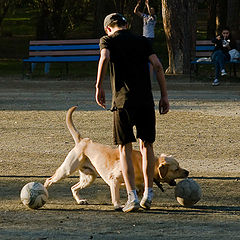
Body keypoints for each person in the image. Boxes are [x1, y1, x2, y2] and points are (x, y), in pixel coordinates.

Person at [95, 13, 169, 213]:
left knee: (125, 149)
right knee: (147, 146)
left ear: (108, 28)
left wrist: (98, 86)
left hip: (122, 102)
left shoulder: (108, 40)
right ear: (126, 25)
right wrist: (164, 95)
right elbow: (158, 66)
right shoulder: (143, 41)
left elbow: (105, 57)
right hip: (145, 101)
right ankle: (148, 194)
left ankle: (132, 197)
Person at [134, 0, 157, 80]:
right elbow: (136, 11)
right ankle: (143, 73)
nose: (151, 10)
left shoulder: (154, 18)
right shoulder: (145, 16)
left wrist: (147, 4)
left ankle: (151, 74)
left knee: (149, 56)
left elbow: (151, 14)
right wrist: (138, 3)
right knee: (142, 55)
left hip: (150, 38)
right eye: (150, 9)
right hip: (144, 37)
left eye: (152, 9)